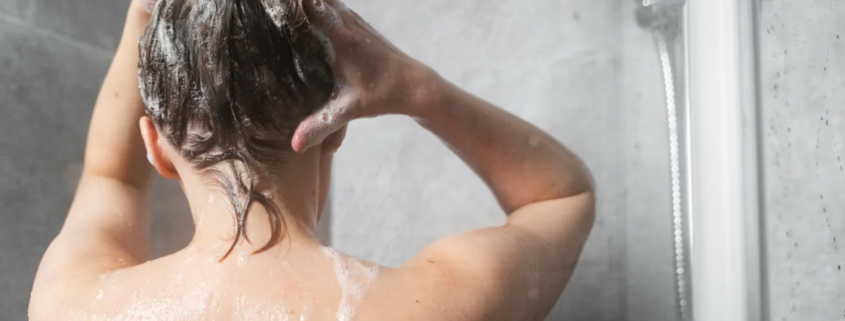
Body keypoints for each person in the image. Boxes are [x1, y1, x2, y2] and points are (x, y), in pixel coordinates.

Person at [28, 0, 595, 320]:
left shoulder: (72, 303)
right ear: (337, 130)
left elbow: (111, 178)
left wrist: (142, 16)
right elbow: (562, 197)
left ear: (157, 149)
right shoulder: (433, 307)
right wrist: (424, 91)